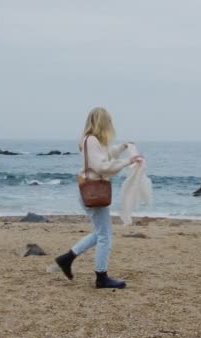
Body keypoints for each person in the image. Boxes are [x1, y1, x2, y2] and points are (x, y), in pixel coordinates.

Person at [55, 107, 142, 289]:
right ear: (102, 122)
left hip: (93, 191)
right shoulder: (91, 140)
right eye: (108, 121)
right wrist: (128, 161)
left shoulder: (93, 141)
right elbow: (102, 166)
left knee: (100, 233)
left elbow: (107, 154)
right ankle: (101, 277)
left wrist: (124, 147)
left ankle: (67, 258)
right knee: (105, 236)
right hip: (93, 192)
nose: (110, 125)